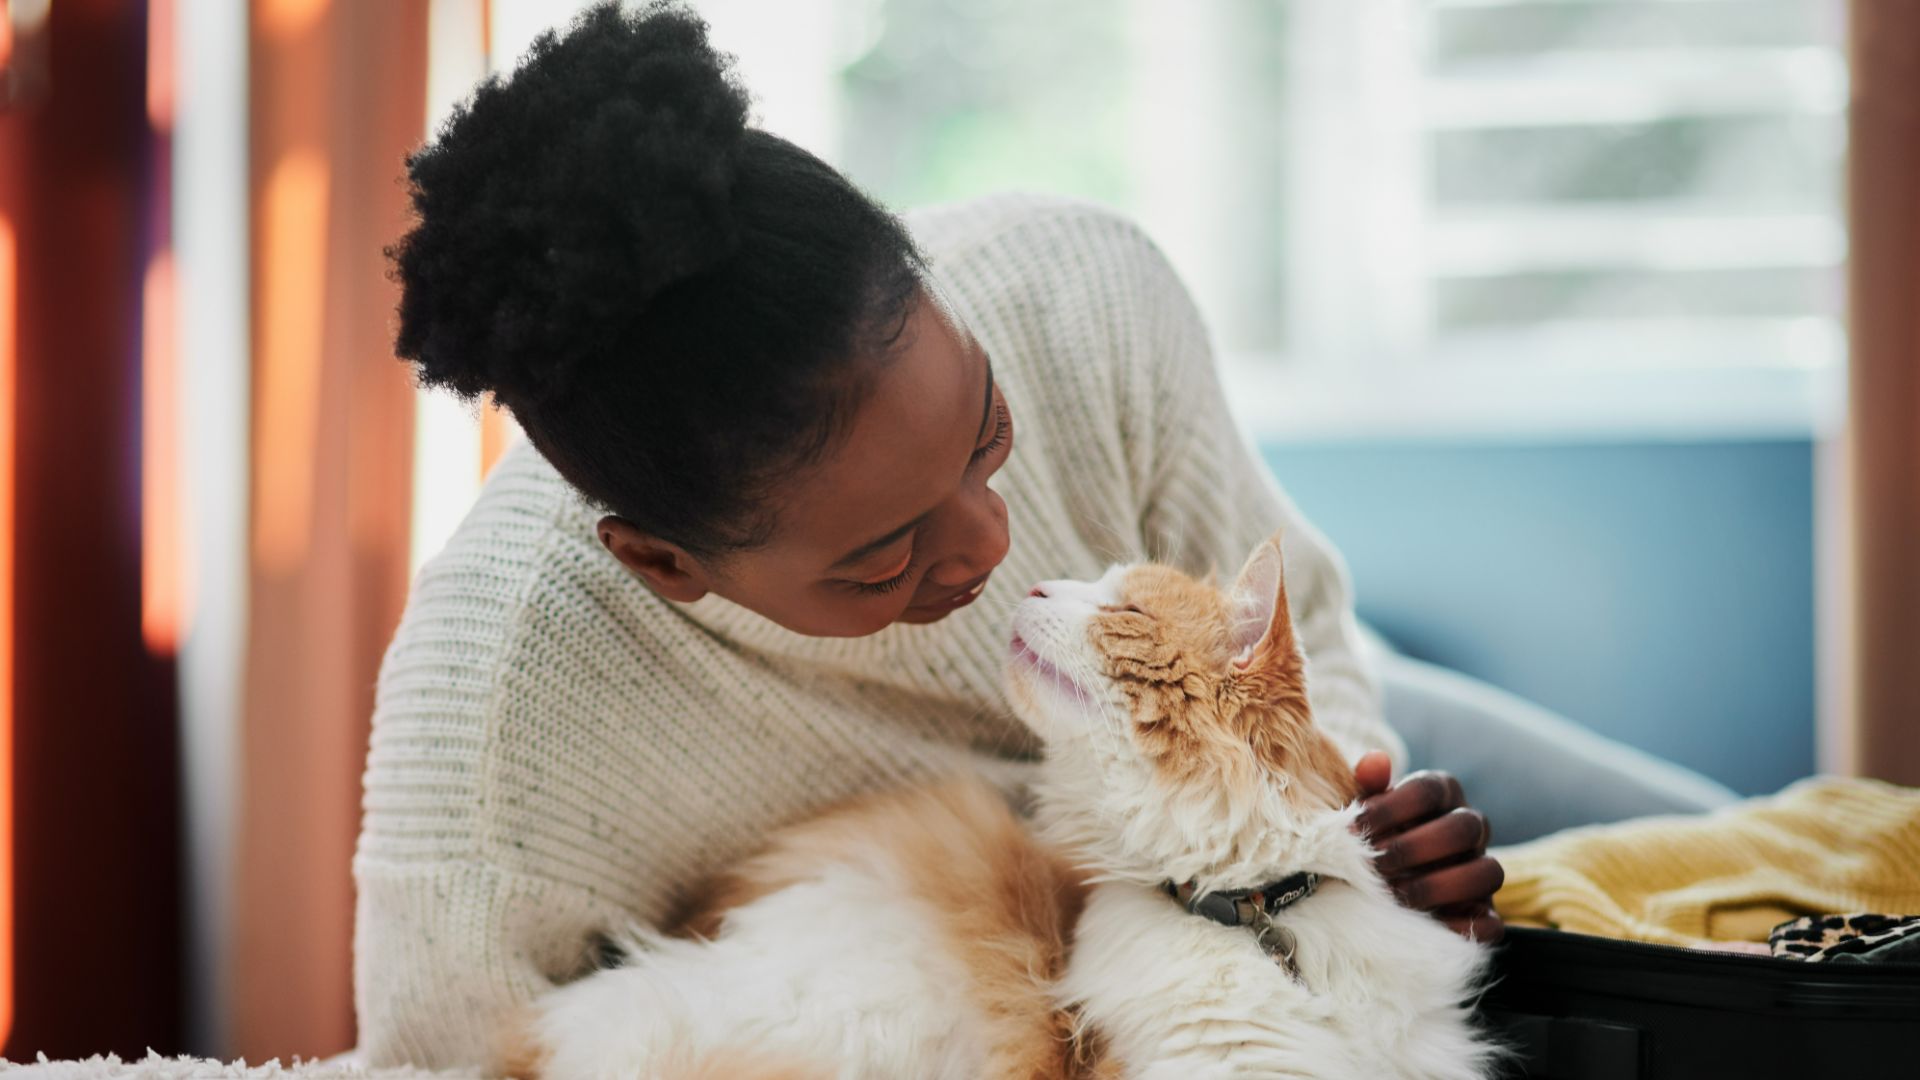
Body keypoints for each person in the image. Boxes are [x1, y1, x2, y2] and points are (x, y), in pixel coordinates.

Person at [357, 2, 1732, 1067]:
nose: (988, 546)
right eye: (882, 560)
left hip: (1281, 775)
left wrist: (1351, 833)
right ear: (664, 563)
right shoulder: (492, 736)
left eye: (987, 434)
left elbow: (1290, 630)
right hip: (1021, 949)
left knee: (1777, 883)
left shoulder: (1083, 290)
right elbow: (445, 1068)